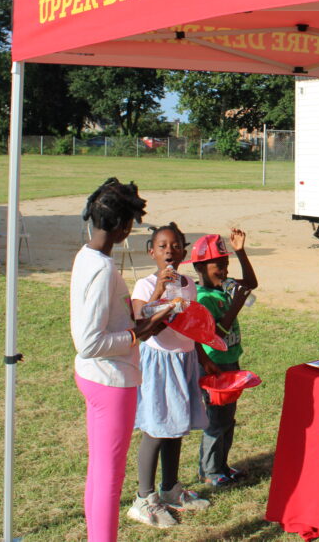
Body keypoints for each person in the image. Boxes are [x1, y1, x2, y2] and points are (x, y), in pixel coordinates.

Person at [70, 178, 169, 542]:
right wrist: (136, 334)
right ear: (124, 227)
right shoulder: (101, 269)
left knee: (99, 472)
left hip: (99, 377)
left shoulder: (88, 256)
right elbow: (89, 342)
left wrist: (141, 322)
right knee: (109, 479)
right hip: (110, 380)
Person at [127, 222, 214, 528]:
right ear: (151, 251)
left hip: (184, 360)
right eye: (162, 246)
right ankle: (143, 498)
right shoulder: (144, 285)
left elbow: (192, 327)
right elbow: (142, 322)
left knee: (176, 426)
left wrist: (203, 358)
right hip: (160, 363)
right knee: (156, 428)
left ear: (184, 251)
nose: (169, 251)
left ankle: (171, 488)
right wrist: (161, 290)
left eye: (176, 245)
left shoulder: (189, 284)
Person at [184, 230, 257, 487]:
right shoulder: (204, 298)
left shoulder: (222, 288)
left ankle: (222, 465)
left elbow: (251, 283)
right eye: (218, 265)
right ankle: (210, 471)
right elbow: (215, 335)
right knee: (216, 419)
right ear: (200, 268)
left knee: (228, 417)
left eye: (226, 264)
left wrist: (241, 252)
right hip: (214, 367)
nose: (224, 271)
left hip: (230, 362)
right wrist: (236, 304)